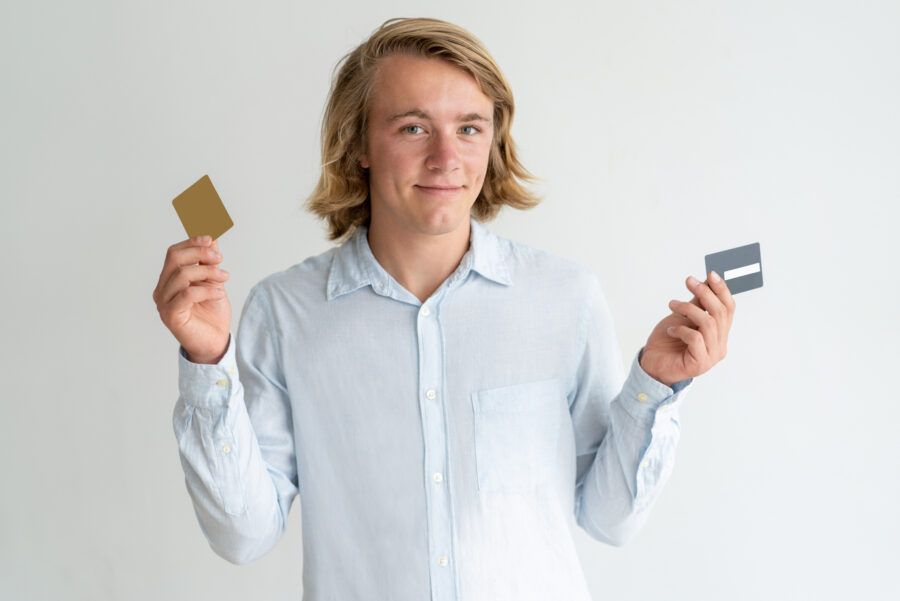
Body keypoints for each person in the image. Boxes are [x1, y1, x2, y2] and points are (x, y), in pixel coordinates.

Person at [152, 16, 735, 601]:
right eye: (412, 128)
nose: (446, 158)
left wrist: (655, 385)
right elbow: (243, 537)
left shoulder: (566, 297)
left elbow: (611, 520)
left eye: (469, 128)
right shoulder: (285, 313)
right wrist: (207, 363)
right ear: (358, 145)